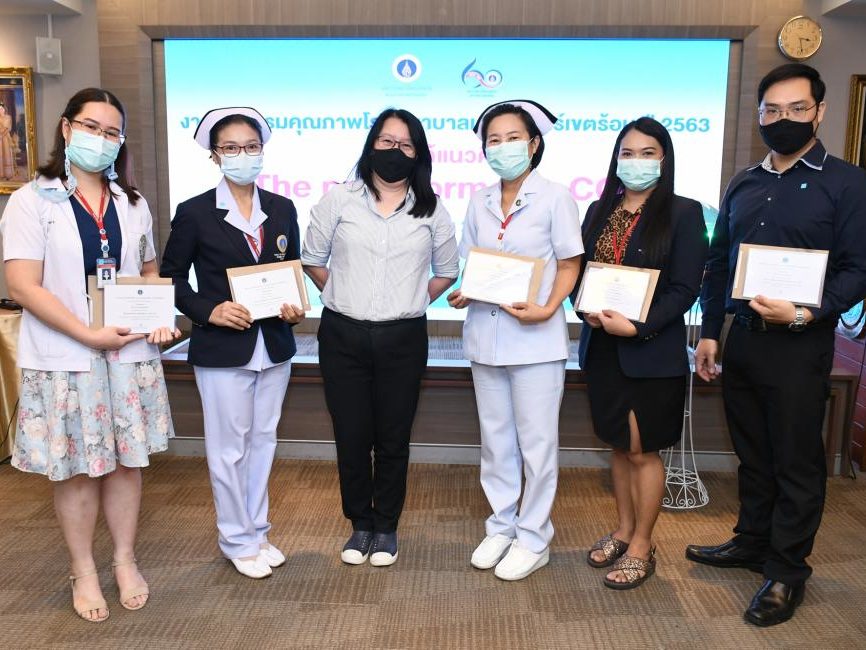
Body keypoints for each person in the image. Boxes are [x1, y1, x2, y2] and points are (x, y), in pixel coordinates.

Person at [687, 63, 866, 626]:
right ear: (759, 114)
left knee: (795, 460)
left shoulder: (848, 183)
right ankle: (752, 542)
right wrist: (710, 332)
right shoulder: (743, 182)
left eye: (796, 109)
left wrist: (807, 311)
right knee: (754, 454)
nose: (782, 118)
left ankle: (787, 571)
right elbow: (719, 264)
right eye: (772, 110)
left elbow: (858, 269)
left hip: (800, 344)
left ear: (820, 111)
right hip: (744, 341)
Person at [0, 87, 178, 622]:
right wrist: (87, 333)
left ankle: (124, 559)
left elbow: (148, 270)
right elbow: (23, 284)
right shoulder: (32, 201)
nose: (100, 139)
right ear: (66, 128)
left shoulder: (133, 203)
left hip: (128, 355)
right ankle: (83, 570)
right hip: (68, 356)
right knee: (77, 469)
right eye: (91, 127)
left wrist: (158, 316)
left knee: (126, 463)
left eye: (111, 132)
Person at [302, 108, 459, 567]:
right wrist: (340, 292)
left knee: (393, 437)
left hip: (403, 337)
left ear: (419, 154)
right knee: (351, 435)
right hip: (342, 334)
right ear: (372, 144)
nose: (395, 151)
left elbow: (447, 272)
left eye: (406, 145)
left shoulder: (432, 208)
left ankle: (386, 526)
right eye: (387, 141)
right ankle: (360, 524)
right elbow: (313, 258)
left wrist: (410, 299)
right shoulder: (340, 199)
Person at [160, 107, 305, 579]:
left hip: (274, 344)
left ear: (262, 150)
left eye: (251, 146)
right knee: (229, 449)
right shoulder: (195, 212)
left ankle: (258, 532)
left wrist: (295, 307)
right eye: (231, 147)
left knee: (263, 442)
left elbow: (290, 270)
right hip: (222, 348)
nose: (243, 155)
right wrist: (209, 310)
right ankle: (236, 539)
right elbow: (171, 280)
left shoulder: (282, 208)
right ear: (214, 155)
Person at [447, 100, 582, 581]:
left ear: (533, 143)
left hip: (536, 340)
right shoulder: (478, 200)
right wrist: (466, 291)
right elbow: (476, 263)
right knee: (496, 441)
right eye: (494, 140)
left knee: (537, 446)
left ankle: (534, 537)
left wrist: (549, 307)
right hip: (485, 336)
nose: (502, 147)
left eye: (512, 138)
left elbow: (569, 263)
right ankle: (501, 526)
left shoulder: (556, 197)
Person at [574, 117, 708, 589]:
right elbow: (580, 274)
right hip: (602, 349)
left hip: (651, 353)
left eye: (647, 153)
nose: (636, 161)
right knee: (618, 445)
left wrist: (638, 325)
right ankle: (623, 529)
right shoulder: (599, 209)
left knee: (642, 451)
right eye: (627, 153)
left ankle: (642, 546)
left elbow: (685, 288)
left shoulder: (684, 212)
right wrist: (585, 309)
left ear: (664, 159)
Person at [0, 102, 17, 180]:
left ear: (4, 109)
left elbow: (8, 128)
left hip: (6, 138)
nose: (1, 111)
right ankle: (1, 173)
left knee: (6, 154)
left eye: (1, 109)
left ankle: (8, 174)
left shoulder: (8, 117)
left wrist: (1, 135)